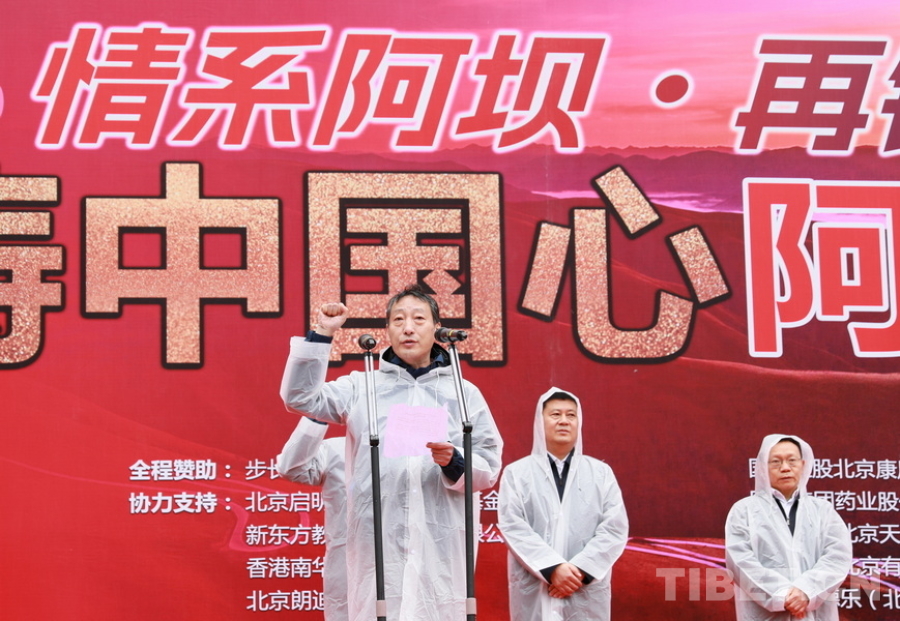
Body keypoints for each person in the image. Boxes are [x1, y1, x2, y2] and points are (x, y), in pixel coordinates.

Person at [279, 284, 503, 621]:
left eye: (418, 319)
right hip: (377, 543)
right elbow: (300, 397)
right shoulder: (362, 386)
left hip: (439, 546)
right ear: (387, 329)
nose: (408, 328)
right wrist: (323, 332)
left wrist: (455, 461)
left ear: (436, 327)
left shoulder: (462, 391)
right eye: (398, 320)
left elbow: (488, 462)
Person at [498, 387, 628, 621]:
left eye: (571, 415)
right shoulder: (517, 473)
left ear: (579, 422)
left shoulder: (600, 473)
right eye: (555, 414)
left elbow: (614, 528)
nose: (564, 421)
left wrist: (579, 571)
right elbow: (513, 526)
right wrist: (552, 568)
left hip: (584, 587)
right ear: (540, 422)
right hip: (537, 587)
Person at [725, 434, 852, 621]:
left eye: (792, 460)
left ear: (803, 464)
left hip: (812, 614)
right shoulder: (744, 510)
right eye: (776, 462)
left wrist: (806, 591)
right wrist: (781, 594)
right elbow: (740, 561)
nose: (785, 468)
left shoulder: (822, 510)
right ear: (762, 467)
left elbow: (837, 557)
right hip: (764, 614)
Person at [275, 417, 348, 621]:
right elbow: (292, 468)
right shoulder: (337, 450)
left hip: (416, 574)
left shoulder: (425, 452)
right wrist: (317, 416)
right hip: (351, 575)